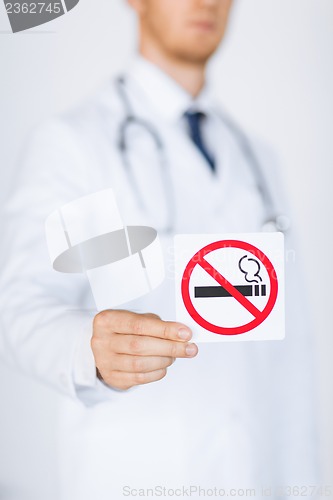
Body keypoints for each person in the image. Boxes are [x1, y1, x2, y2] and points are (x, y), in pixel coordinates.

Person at [0, 0, 319, 498]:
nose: (206, 2)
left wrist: (306, 486)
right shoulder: (73, 142)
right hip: (138, 477)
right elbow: (19, 312)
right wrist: (92, 351)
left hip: (258, 478)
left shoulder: (260, 160)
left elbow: (293, 354)